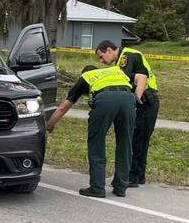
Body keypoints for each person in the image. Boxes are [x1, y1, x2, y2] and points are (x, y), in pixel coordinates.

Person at [45, 63, 136, 197]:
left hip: (105, 99)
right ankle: (121, 187)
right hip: (128, 98)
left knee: (96, 143)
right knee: (125, 143)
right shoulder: (115, 70)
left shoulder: (86, 76)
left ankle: (97, 188)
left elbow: (63, 108)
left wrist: (49, 125)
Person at [96, 40, 159, 187]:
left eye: (101, 56)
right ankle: (138, 176)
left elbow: (125, 81)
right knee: (141, 140)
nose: (101, 61)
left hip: (145, 101)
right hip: (149, 102)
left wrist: (134, 103)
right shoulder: (124, 58)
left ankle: (132, 177)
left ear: (110, 50)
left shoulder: (126, 56)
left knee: (136, 140)